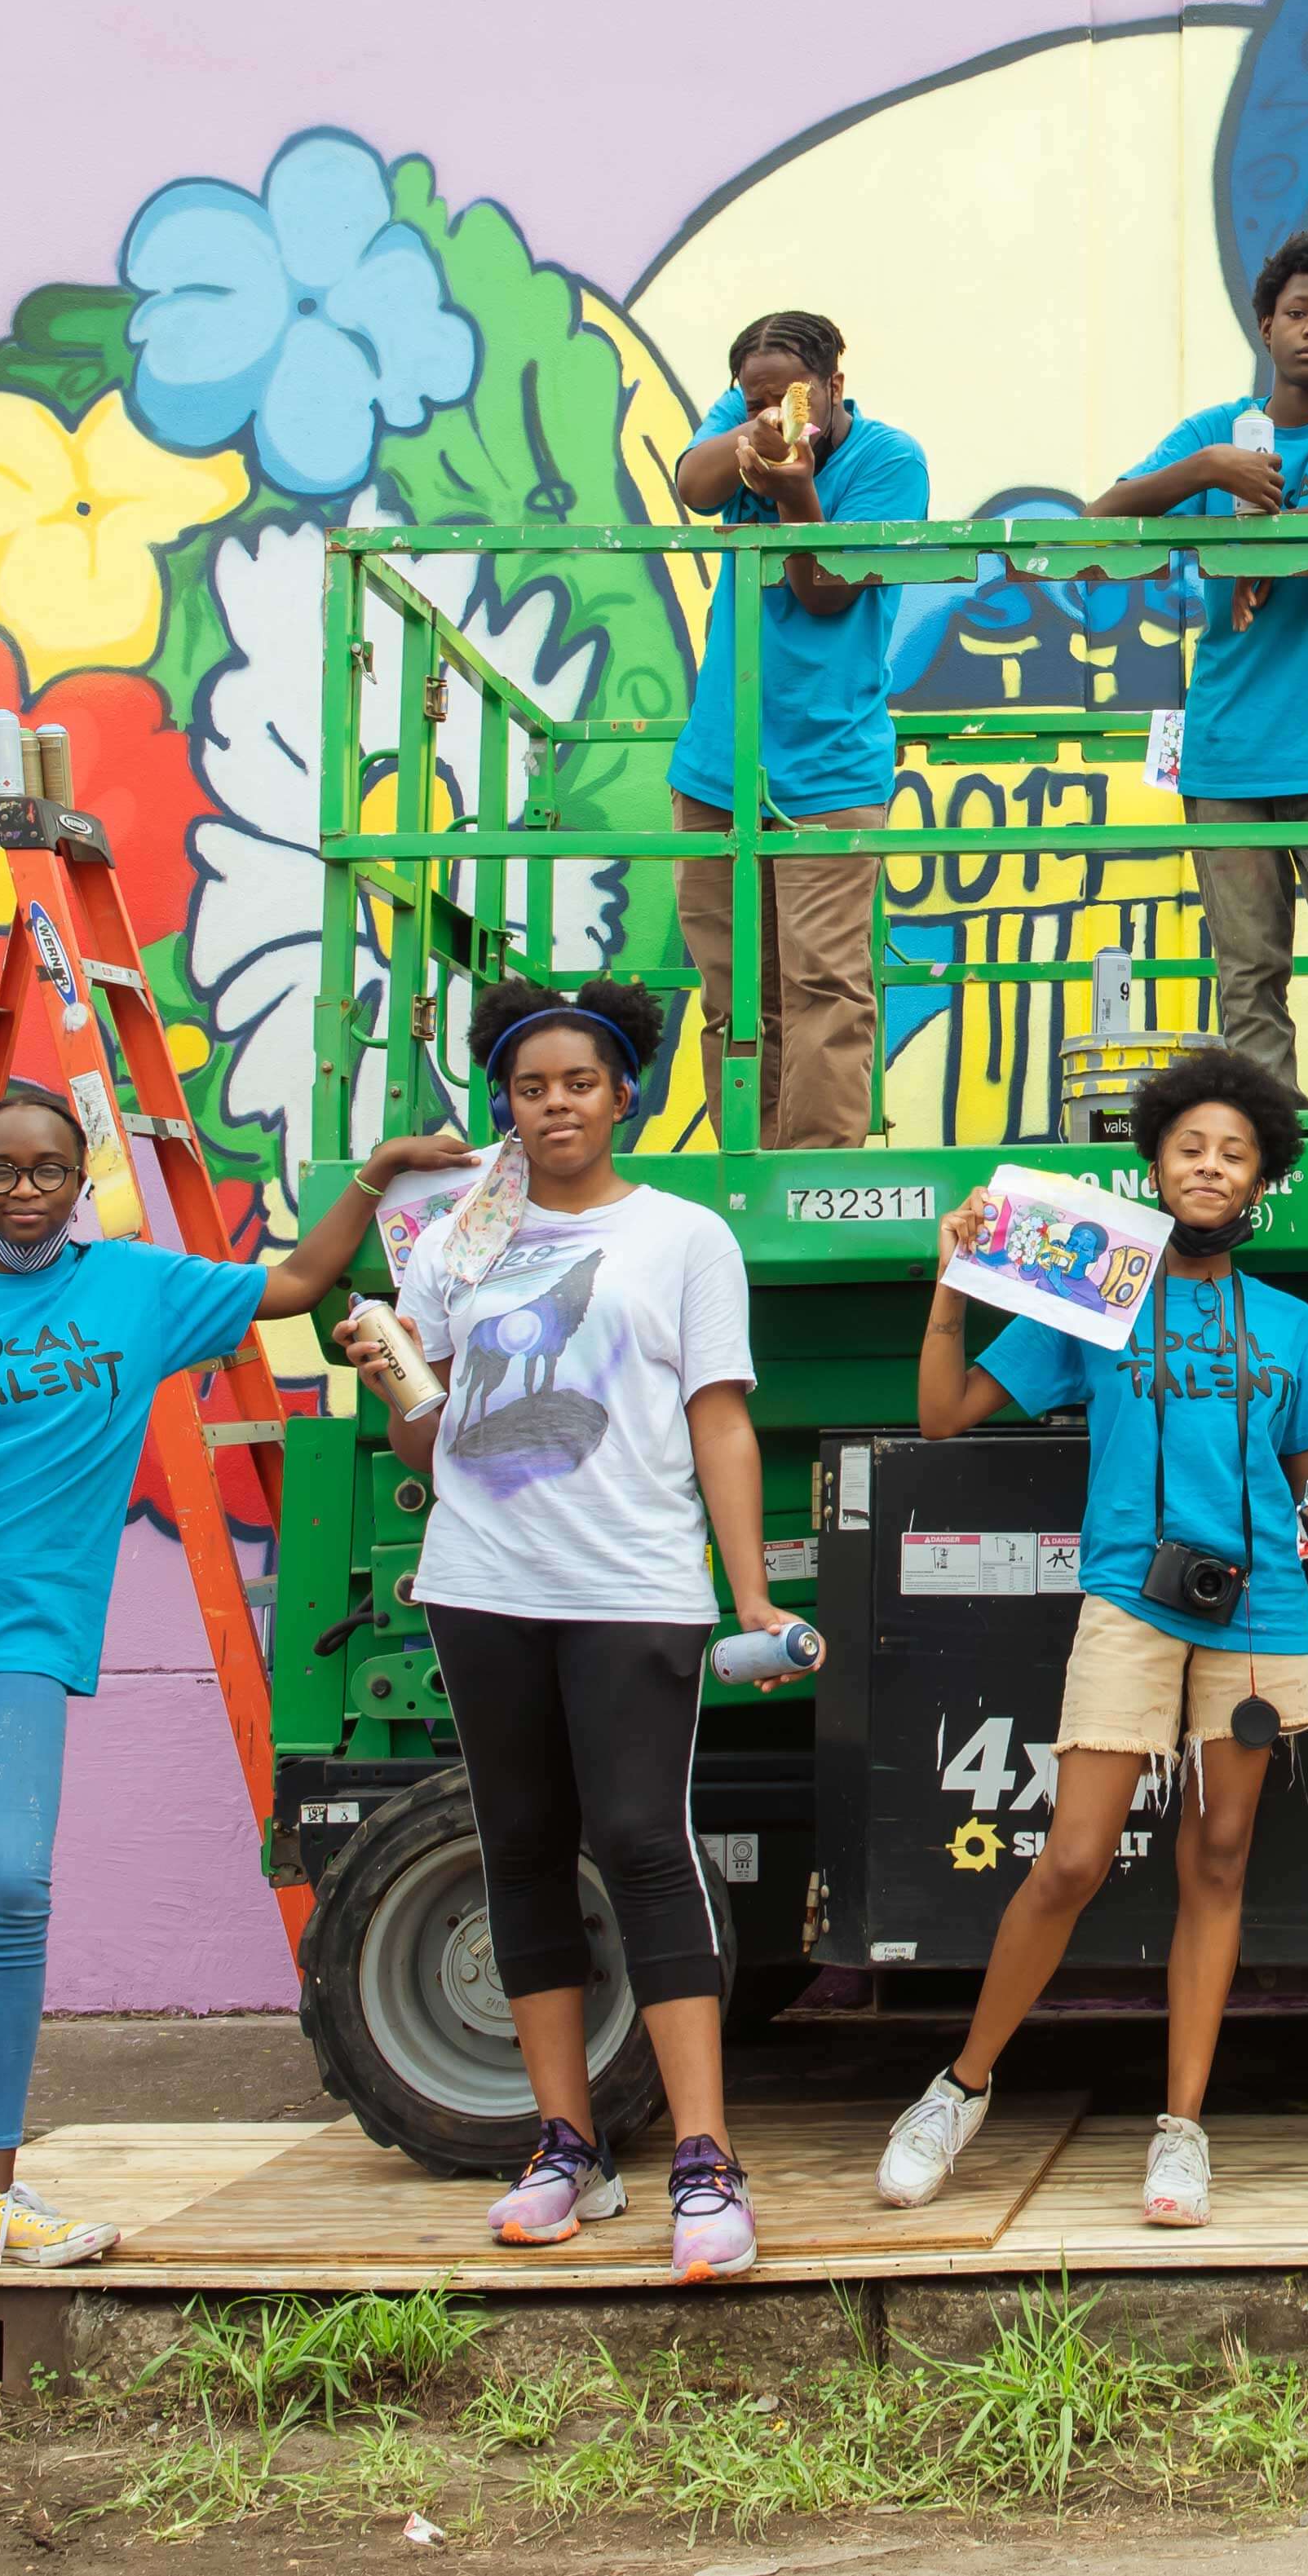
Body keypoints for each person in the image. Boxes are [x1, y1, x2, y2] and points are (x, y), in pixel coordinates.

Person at [0, 1084, 468, 2268]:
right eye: (1, 1171)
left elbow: (295, 1284)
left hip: (20, 1630)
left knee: (9, 1887)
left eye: (48, 1168)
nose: (25, 1189)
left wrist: (375, 1169)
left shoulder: (140, 1287)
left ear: (80, 1180)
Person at [369, 975, 811, 2283]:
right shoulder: (454, 1242)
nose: (553, 1104)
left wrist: (750, 1595)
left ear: (624, 1094)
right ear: (501, 1102)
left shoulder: (683, 1236)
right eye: (527, 1085)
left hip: (631, 1584)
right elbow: (423, 1434)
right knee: (519, 1845)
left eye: (579, 1082)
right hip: (482, 1576)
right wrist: (391, 1368)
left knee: (639, 1841)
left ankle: (704, 2160)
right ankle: (564, 2147)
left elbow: (718, 1416)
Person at [880, 1048, 1308, 2228]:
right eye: (1190, 1146)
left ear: (1262, 1183)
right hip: (1129, 1600)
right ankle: (958, 2087)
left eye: (1234, 1153)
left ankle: (1181, 2129)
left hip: (1258, 1608)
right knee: (1074, 1857)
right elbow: (942, 1419)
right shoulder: (1098, 1292)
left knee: (1218, 1860)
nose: (1210, 1164)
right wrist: (952, 1284)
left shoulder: (1294, 1324)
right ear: (1153, 1164)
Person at [1093, 234, 1308, 1108]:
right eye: (1298, 313)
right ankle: (1267, 1142)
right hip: (1226, 748)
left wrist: (1287, 538)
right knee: (1247, 970)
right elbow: (1101, 515)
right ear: (1265, 326)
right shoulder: (1218, 434)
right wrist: (1207, 471)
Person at [668, 310, 931, 1148]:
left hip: (832, 766)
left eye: (796, 396)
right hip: (719, 765)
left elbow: (827, 589)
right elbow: (692, 484)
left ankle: (819, 1179)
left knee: (824, 983)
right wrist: (754, 432)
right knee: (733, 989)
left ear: (836, 387)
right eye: (757, 396)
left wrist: (793, 490)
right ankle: (748, 1166)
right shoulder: (745, 416)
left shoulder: (892, 459)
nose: (781, 411)